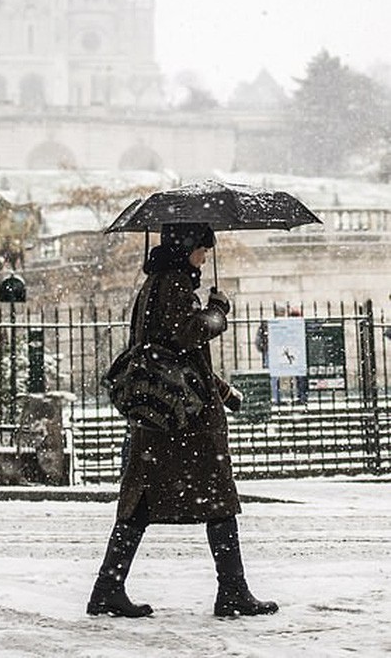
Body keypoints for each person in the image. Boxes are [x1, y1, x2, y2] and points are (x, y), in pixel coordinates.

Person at [87, 223, 278, 619]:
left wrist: (221, 390)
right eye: (201, 249)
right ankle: (232, 591)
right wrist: (217, 312)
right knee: (217, 500)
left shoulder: (154, 286)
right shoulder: (173, 285)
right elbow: (187, 335)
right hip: (185, 424)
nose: (205, 257)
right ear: (185, 246)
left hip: (163, 422)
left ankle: (109, 586)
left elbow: (170, 355)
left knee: (141, 505)